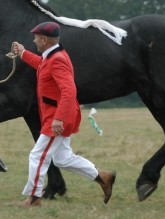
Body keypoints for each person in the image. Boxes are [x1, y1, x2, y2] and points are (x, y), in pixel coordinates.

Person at [12, 21, 116, 207]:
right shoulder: (50, 56)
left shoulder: (57, 59)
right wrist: (22, 52)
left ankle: (34, 198)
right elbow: (41, 64)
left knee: (38, 155)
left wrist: (58, 118)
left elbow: (69, 91)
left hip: (58, 118)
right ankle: (102, 177)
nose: (34, 41)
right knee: (62, 159)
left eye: (36, 38)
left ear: (44, 39)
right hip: (57, 116)